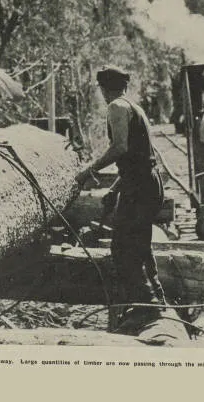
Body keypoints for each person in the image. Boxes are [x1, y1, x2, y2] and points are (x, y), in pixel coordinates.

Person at [75, 66, 166, 331]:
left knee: (123, 247)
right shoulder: (134, 107)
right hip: (146, 184)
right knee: (139, 243)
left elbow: (120, 148)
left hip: (139, 188)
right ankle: (156, 298)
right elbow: (137, 158)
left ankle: (146, 307)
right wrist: (115, 188)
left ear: (103, 88)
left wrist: (89, 170)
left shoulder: (116, 107)